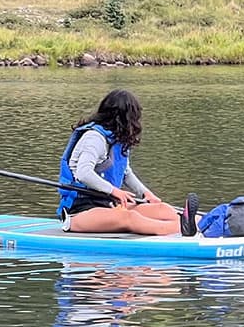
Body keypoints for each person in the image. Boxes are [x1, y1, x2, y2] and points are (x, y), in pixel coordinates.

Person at [57, 89, 197, 236]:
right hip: (80, 210)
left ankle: (199, 224)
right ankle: (183, 229)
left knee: (162, 209)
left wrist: (146, 193)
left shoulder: (117, 139)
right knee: (130, 217)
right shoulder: (94, 138)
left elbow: (125, 173)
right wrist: (115, 191)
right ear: (123, 118)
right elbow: (84, 173)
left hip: (108, 203)